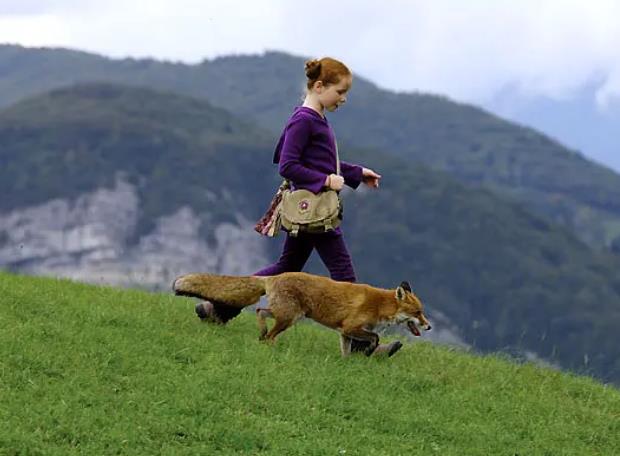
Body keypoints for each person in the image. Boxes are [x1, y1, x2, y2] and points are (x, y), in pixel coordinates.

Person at [196, 57, 402, 357]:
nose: (343, 99)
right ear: (319, 86)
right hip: (313, 211)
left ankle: (219, 308)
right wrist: (325, 181)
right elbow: (288, 165)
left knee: (284, 269)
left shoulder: (314, 118)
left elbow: (319, 162)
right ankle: (359, 347)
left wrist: (356, 173)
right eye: (340, 92)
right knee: (344, 275)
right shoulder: (304, 120)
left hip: (310, 211)